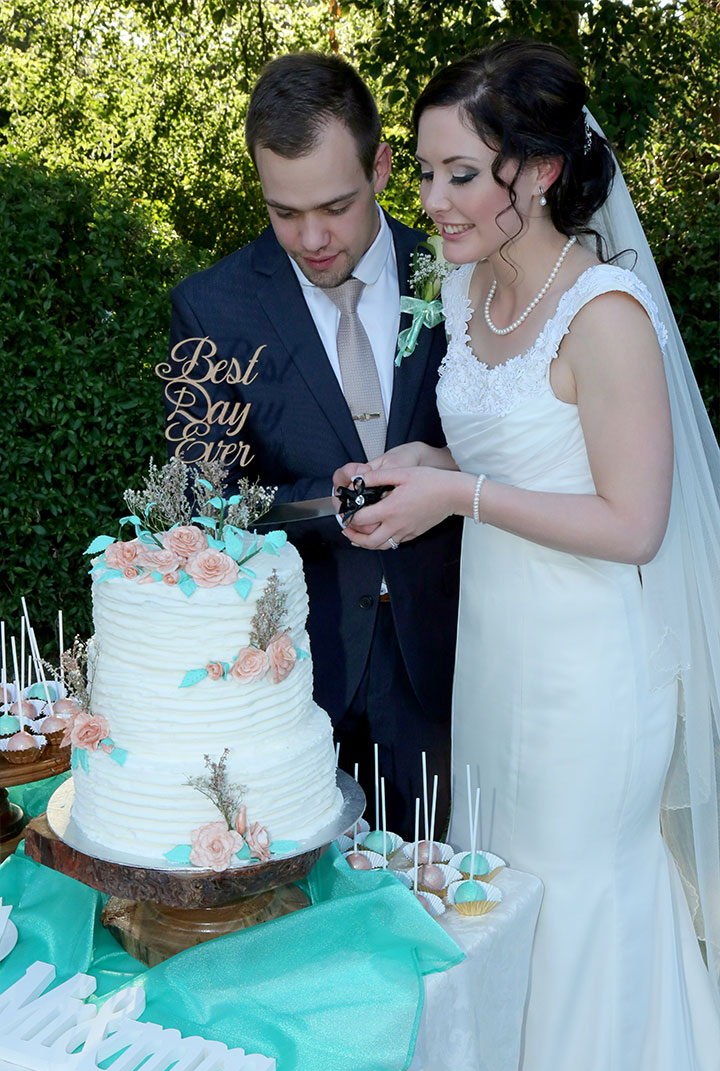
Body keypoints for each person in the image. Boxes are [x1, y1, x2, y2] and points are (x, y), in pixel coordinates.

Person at [338, 40, 720, 1071]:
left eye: (462, 174)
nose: (433, 200)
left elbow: (634, 523)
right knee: (500, 885)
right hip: (495, 653)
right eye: (426, 172)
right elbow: (513, 456)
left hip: (592, 674)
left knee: (577, 889)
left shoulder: (607, 313)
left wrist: (456, 497)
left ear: (542, 171)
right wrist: (422, 467)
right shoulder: (466, 290)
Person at [164, 52, 461, 840]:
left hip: (457, 655)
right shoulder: (210, 308)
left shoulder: (458, 272)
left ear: (382, 167)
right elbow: (206, 506)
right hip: (298, 669)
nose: (313, 237)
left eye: (335, 205)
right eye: (285, 212)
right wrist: (326, 506)